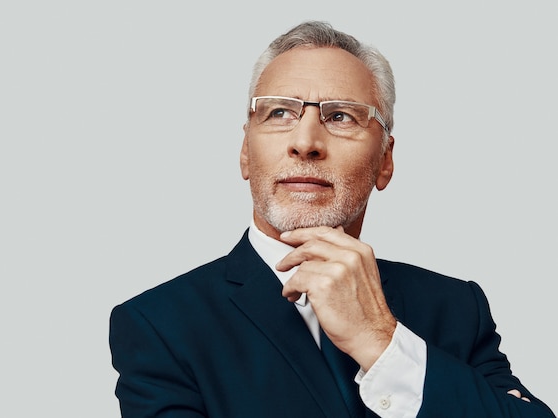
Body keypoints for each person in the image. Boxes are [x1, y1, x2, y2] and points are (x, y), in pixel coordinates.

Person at [109, 21, 556, 417]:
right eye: (279, 112)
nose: (305, 142)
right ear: (246, 151)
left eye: (341, 116)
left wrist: (382, 343)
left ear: (385, 160)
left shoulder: (457, 309)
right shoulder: (160, 326)